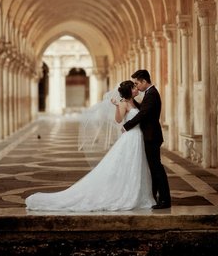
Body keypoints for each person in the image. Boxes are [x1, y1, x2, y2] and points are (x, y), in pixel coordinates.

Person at [25, 80, 154, 211]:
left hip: (137, 137)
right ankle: (126, 194)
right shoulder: (124, 103)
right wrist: (116, 106)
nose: (137, 89)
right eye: (134, 87)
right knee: (127, 165)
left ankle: (136, 193)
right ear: (129, 90)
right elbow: (119, 120)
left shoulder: (135, 103)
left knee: (135, 165)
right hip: (130, 138)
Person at [123, 69, 171, 209]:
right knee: (153, 168)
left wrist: (127, 126)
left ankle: (164, 200)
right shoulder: (149, 93)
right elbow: (144, 109)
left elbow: (143, 114)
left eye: (137, 83)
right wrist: (129, 101)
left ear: (144, 81)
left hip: (152, 136)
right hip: (150, 135)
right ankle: (155, 197)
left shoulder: (152, 94)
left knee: (156, 168)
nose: (137, 86)